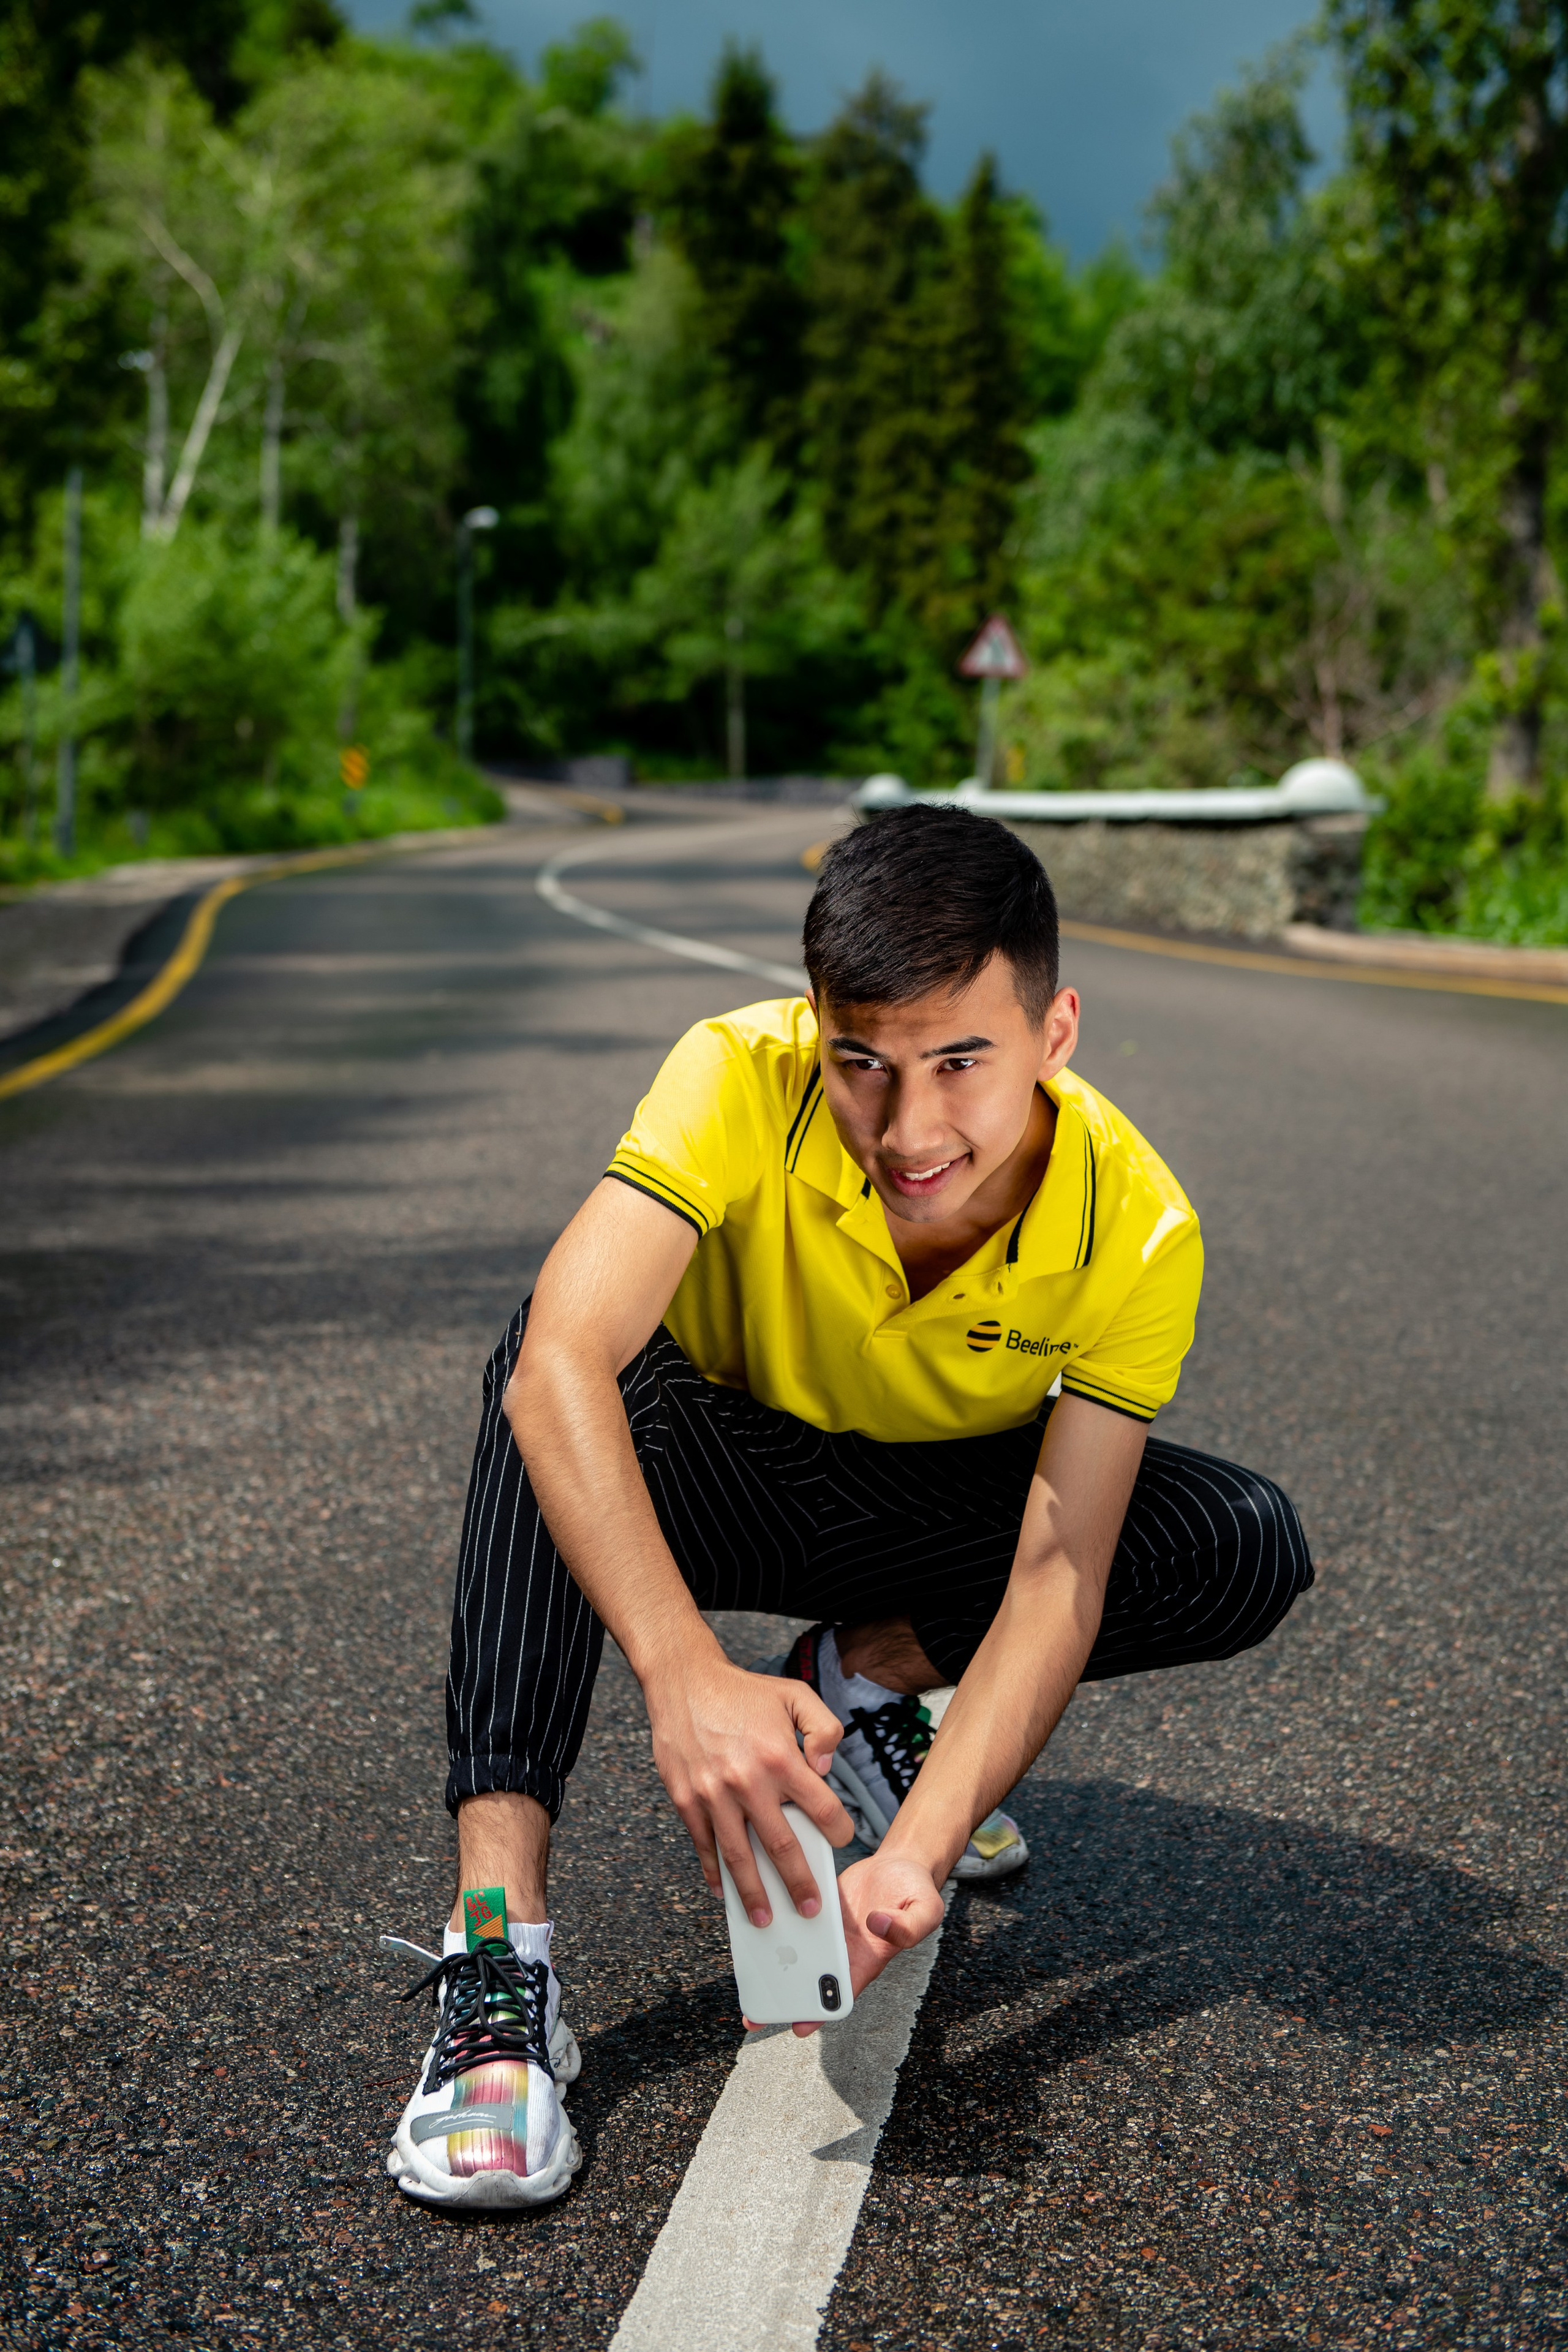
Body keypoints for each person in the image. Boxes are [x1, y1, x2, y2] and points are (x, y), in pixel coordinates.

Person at [383, 805, 1313, 2208]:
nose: (909, 1126)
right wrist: (684, 1674)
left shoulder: (1137, 1226)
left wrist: (918, 1856)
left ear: (1055, 1032)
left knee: (1239, 1543)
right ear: (814, 1026)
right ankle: (498, 1958)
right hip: (718, 1466)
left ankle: (861, 1679)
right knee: (548, 1362)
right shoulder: (733, 1072)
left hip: (934, 1506)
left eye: (960, 1063)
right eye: (862, 1065)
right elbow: (566, 1364)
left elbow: (1057, 1582)